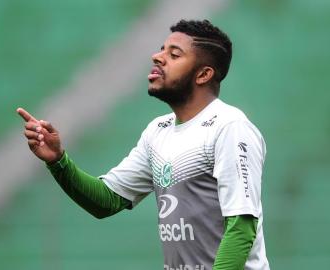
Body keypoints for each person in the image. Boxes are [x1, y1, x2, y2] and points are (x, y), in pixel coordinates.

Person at [17, 19, 270, 270]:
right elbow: (107, 200)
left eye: (174, 54)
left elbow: (241, 228)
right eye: (162, 49)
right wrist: (58, 160)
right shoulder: (157, 132)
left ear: (203, 74)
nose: (157, 57)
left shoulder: (229, 127)